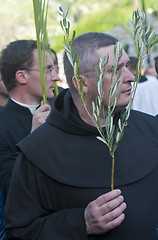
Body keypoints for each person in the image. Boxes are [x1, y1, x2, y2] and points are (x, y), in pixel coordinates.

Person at [5, 32, 158, 240]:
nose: (130, 77)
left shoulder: (150, 129)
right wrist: (81, 223)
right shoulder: (39, 150)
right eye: (115, 70)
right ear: (81, 82)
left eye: (126, 66)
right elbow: (22, 231)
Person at [0, 39, 59, 201]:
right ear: (22, 76)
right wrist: (32, 140)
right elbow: (11, 187)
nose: (56, 76)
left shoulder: (65, 107)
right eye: (48, 69)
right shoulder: (2, 125)